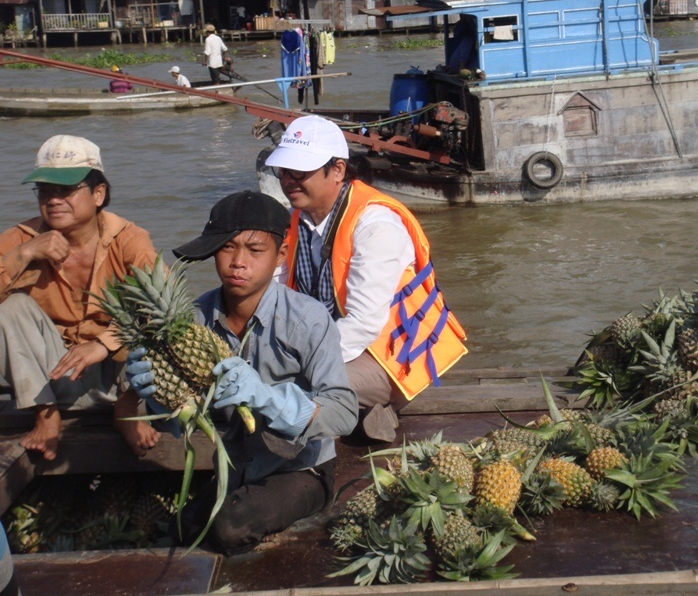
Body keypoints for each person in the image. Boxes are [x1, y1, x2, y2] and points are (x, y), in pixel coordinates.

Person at [125, 190, 358, 555]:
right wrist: (156, 396)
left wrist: (268, 399)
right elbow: (181, 422)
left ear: (281, 254)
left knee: (230, 529)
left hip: (301, 469)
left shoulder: (308, 318)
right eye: (227, 248)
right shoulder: (194, 321)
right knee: (182, 529)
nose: (238, 262)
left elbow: (343, 412)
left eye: (255, 249)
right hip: (234, 471)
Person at [264, 115, 468, 442]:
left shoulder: (376, 226)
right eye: (283, 171)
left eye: (300, 172)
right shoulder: (296, 221)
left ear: (338, 170)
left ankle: (349, 422)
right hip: (336, 343)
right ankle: (365, 416)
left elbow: (363, 324)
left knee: (296, 388)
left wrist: (295, 364)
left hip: (394, 354)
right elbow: (273, 292)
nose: (289, 181)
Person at [0, 135, 157, 461]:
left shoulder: (129, 239)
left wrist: (103, 344)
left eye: (66, 189)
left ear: (98, 194)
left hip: (118, 379)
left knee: (153, 307)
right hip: (49, 381)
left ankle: (127, 410)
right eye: (45, 190)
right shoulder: (20, 239)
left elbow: (163, 305)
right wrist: (26, 254)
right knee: (10, 306)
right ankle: (46, 416)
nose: (54, 200)